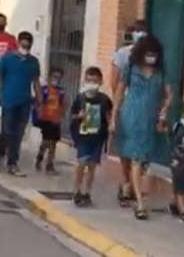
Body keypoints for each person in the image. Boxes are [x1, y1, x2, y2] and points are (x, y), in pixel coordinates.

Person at [111, 34, 172, 220]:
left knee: (140, 159)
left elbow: (169, 94)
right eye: (148, 53)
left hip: (149, 120)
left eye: (154, 54)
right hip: (130, 116)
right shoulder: (131, 68)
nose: (151, 57)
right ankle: (139, 202)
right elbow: (120, 92)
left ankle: (127, 186)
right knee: (131, 155)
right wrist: (114, 116)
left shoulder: (160, 72)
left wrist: (164, 110)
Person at [0, 31, 41, 176]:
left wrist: (39, 100)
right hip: (8, 100)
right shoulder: (7, 59)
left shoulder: (33, 62)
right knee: (6, 131)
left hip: (24, 102)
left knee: (18, 134)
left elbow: (36, 82)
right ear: (18, 42)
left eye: (28, 42)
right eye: (23, 41)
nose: (26, 44)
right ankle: (0, 155)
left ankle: (12, 163)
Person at [70, 67, 112, 207]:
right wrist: (79, 116)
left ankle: (87, 192)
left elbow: (108, 116)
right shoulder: (80, 98)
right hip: (83, 136)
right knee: (81, 163)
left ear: (100, 81)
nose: (91, 83)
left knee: (92, 166)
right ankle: (76, 190)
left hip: (97, 137)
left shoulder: (104, 99)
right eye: (89, 80)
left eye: (94, 80)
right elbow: (72, 115)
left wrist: (111, 127)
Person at [35, 66, 66, 175]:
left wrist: (62, 115)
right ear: (49, 77)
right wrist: (39, 113)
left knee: (54, 143)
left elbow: (63, 104)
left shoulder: (61, 91)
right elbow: (39, 102)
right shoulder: (44, 89)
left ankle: (50, 164)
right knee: (46, 141)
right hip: (46, 119)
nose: (56, 80)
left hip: (56, 120)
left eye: (58, 77)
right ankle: (40, 156)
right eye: (54, 77)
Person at [110, 20, 147, 92]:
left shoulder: (150, 54)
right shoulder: (122, 53)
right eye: (138, 31)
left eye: (142, 31)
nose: (140, 34)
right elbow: (114, 79)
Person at [169, 113, 184, 222]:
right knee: (179, 179)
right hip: (179, 158)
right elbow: (176, 145)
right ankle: (181, 208)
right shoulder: (180, 126)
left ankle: (175, 203)